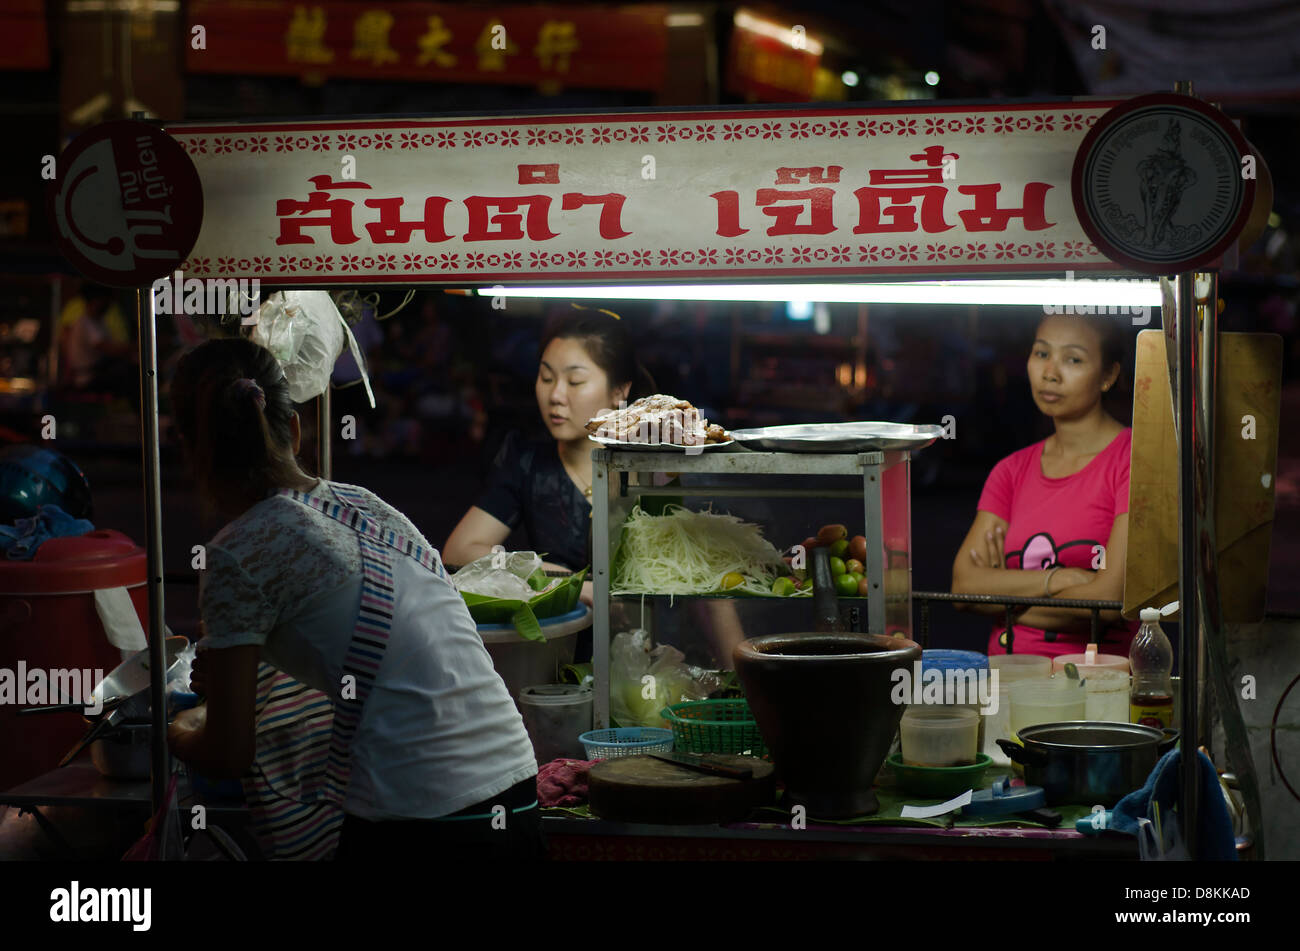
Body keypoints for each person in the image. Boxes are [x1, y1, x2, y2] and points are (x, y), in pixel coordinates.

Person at [165, 337, 542, 860]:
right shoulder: (366, 505)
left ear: (190, 450)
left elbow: (228, 753)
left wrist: (177, 730)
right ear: (294, 429)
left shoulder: (235, 553)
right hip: (516, 783)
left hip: (419, 814)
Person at [950, 314, 1138, 658]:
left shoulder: (1133, 461)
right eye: (1041, 354)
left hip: (1097, 685)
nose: (1050, 372)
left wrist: (999, 597)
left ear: (1108, 375)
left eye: (1073, 359)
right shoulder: (1011, 471)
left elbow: (1110, 604)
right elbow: (963, 587)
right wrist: (1060, 580)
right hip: (1006, 682)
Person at [443, 308, 653, 601]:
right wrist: (558, 578)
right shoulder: (527, 463)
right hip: (562, 640)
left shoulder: (656, 461)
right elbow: (460, 550)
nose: (555, 395)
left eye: (575, 382)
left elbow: (704, 574)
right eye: (546, 377)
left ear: (619, 390)